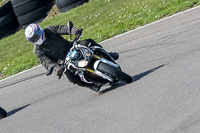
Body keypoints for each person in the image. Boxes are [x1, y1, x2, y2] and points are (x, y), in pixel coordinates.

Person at [25, 23, 119, 92]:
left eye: (36, 35)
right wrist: (57, 70)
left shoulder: (49, 30)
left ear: (39, 30)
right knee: (71, 78)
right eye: (33, 39)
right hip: (64, 61)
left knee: (88, 42)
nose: (36, 38)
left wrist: (75, 31)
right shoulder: (37, 51)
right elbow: (47, 63)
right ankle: (90, 85)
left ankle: (108, 54)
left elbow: (63, 28)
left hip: (72, 47)